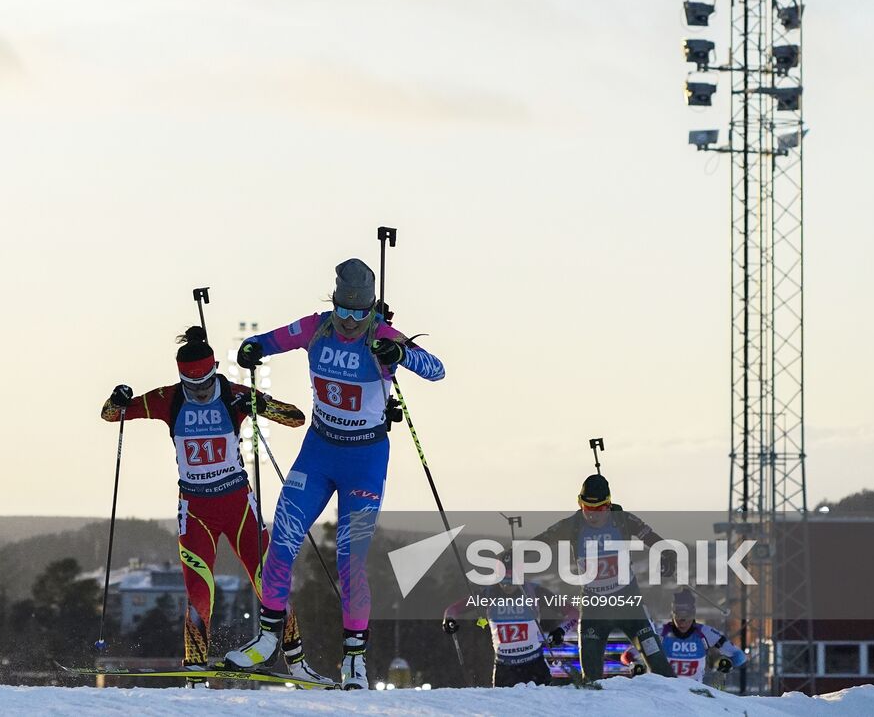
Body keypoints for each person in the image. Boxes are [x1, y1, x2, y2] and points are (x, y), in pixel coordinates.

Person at [223, 258, 446, 690]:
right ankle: (268, 638)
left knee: (350, 561)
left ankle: (355, 661)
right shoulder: (318, 328)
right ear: (334, 302)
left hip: (364, 459)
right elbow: (267, 341)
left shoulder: (382, 336)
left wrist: (400, 353)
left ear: (370, 310)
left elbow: (437, 369)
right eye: (342, 310)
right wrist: (252, 348)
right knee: (281, 540)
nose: (347, 322)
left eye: (358, 314)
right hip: (319, 453)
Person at [100, 326, 331, 687]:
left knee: (273, 585)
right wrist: (118, 398)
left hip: (239, 506)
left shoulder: (233, 395)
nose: (200, 393)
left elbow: (296, 417)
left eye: (206, 385)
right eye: (192, 387)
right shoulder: (169, 398)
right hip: (195, 512)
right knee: (198, 595)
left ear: (215, 372)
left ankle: (297, 665)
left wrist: (257, 404)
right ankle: (195, 671)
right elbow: (111, 415)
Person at [528, 473, 676, 681]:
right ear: (580, 504)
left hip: (628, 604)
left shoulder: (623, 520)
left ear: (608, 504)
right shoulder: (573, 524)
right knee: (591, 679)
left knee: (660, 667)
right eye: (587, 507)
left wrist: (667, 552)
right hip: (594, 608)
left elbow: (655, 539)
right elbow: (541, 541)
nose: (592, 515)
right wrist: (513, 554)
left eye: (599, 508)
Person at [440, 550, 577, 687]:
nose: (507, 586)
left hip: (535, 665)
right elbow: (453, 610)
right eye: (503, 581)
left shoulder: (535, 592)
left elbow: (573, 613)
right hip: (504, 668)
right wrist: (449, 620)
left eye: (511, 581)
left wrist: (561, 630)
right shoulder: (488, 593)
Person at [622, 588, 746, 682]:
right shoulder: (660, 634)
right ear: (673, 614)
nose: (683, 622)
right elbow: (627, 656)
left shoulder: (705, 633)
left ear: (693, 615)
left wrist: (727, 662)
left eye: (687, 618)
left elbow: (740, 656)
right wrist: (635, 665)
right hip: (663, 694)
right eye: (678, 617)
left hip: (692, 696)